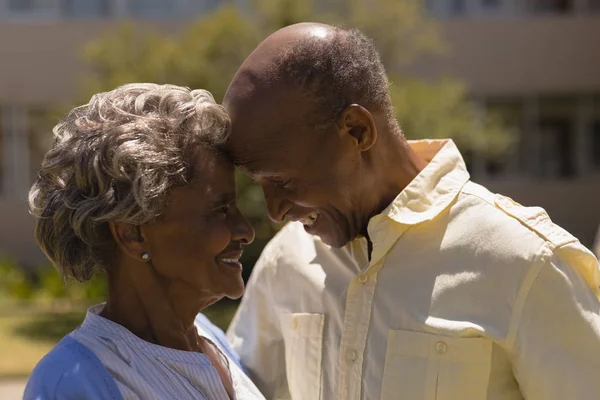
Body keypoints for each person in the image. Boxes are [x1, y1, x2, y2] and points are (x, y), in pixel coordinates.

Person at [224, 23, 600, 400]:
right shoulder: (285, 262)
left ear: (357, 132)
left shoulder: (528, 263)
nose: (274, 212)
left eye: (284, 181)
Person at [24, 83, 264, 400]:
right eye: (220, 210)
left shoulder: (211, 338)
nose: (246, 230)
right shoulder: (75, 383)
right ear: (132, 234)